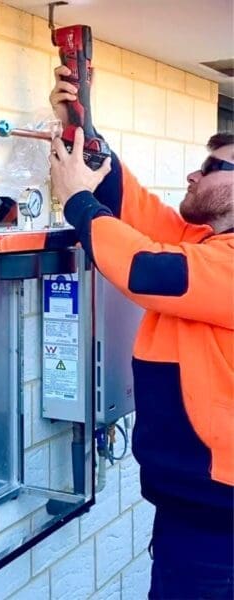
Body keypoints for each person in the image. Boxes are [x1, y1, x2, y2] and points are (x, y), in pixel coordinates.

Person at [49, 65, 234, 599]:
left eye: (211, 166)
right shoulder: (206, 243)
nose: (193, 176)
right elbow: (138, 212)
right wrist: (81, 128)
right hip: (193, 515)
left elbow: (146, 269)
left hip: (218, 533)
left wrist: (77, 202)